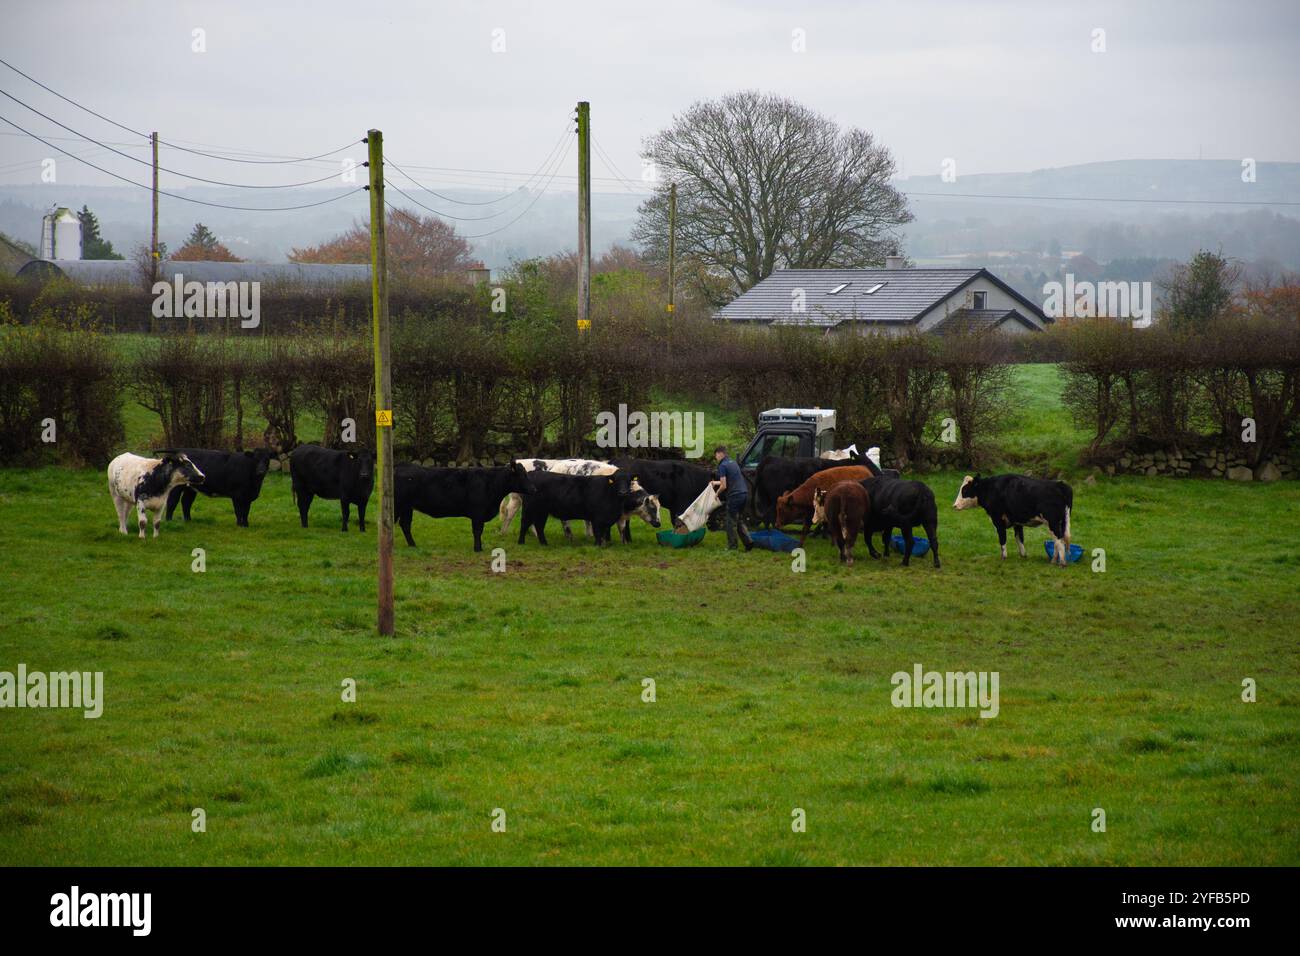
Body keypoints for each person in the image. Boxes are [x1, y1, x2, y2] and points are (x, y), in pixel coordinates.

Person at [712, 445, 753, 551]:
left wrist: (716, 493)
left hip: (734, 496)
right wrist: (714, 483)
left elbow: (724, 486)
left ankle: (732, 547)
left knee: (730, 522)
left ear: (720, 454)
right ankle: (748, 542)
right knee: (739, 520)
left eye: (716, 455)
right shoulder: (732, 462)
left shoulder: (722, 466)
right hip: (744, 493)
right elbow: (729, 480)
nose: (716, 458)